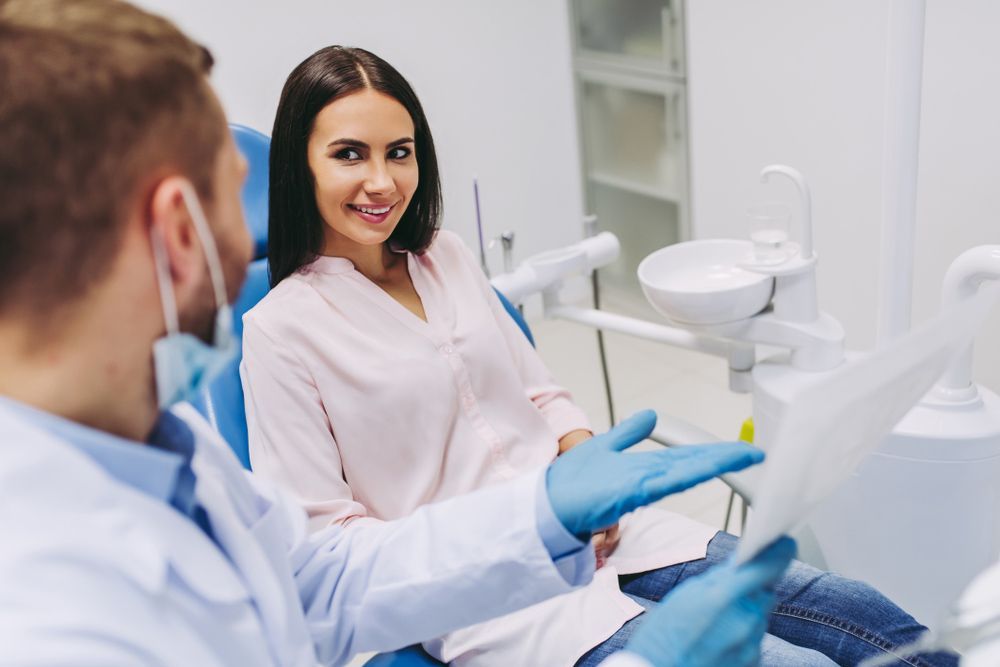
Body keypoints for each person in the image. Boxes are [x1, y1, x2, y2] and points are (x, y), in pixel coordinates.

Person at [0, 2, 797, 666]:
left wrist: (548, 511)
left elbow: (325, 578)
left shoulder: (172, 450)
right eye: (232, 192)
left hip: (560, 550)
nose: (248, 241)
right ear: (181, 229)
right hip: (514, 617)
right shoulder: (57, 622)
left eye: (398, 153)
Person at [241, 45, 960, 667]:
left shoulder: (444, 256)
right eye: (348, 154)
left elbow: (542, 392)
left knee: (858, 610)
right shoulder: (281, 332)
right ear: (299, 164)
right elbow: (324, 545)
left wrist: (588, 471)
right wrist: (522, 526)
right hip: (495, 593)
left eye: (400, 151)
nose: (383, 180)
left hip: (611, 531)